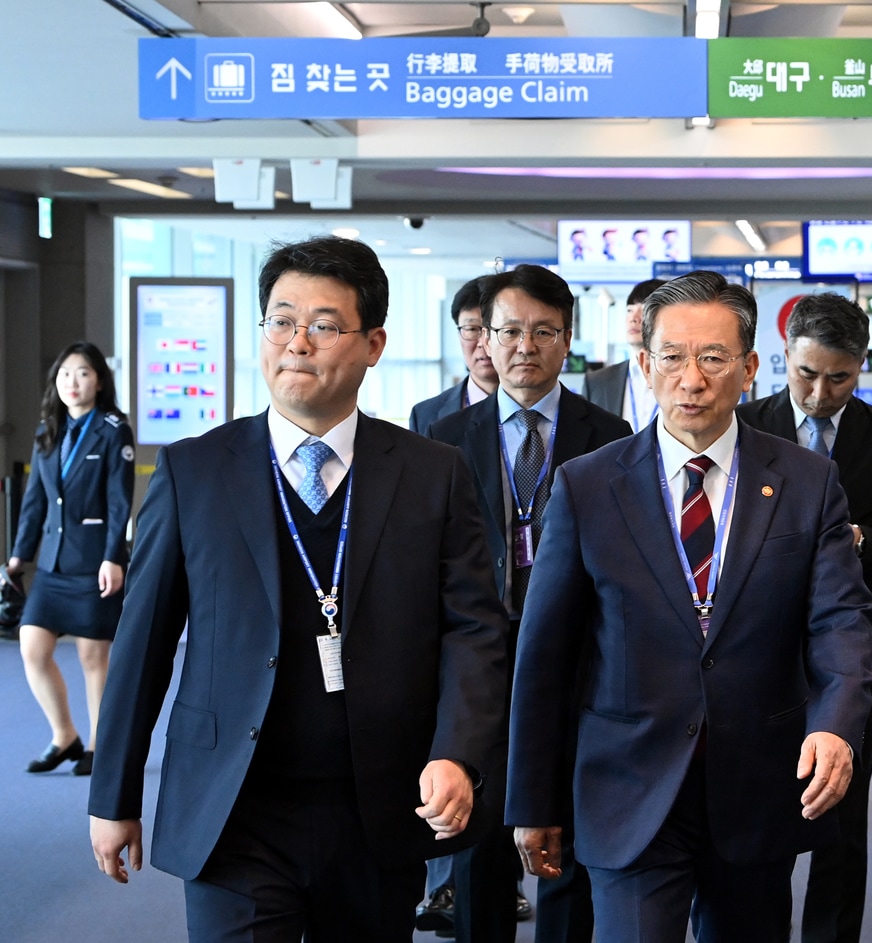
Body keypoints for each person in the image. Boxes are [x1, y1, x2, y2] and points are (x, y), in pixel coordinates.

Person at [87, 235, 511, 943]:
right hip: (234, 807)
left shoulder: (432, 473)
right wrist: (114, 792)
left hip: (378, 805)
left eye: (323, 325)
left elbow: (475, 630)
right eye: (281, 321)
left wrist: (457, 752)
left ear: (374, 344)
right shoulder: (196, 471)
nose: (297, 342)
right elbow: (144, 640)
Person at [506, 270, 872, 943]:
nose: (692, 379)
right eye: (673, 357)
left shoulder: (806, 481)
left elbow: (841, 622)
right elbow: (545, 656)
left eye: (713, 358)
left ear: (750, 368)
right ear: (645, 365)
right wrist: (532, 799)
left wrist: (835, 726)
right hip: (628, 782)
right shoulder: (588, 486)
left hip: (757, 781)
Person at [429, 264, 630, 943]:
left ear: (567, 340)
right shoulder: (444, 438)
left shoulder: (611, 434)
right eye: (510, 330)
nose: (525, 346)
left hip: (577, 659)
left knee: (570, 837)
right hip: (477, 659)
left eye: (544, 332)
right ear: (484, 337)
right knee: (479, 841)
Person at [737, 292, 872, 943]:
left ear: (861, 366)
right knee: (755, 805)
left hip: (849, 650)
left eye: (839, 378)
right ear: (784, 356)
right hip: (754, 648)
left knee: (841, 810)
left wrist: (860, 539)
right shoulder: (743, 424)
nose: (820, 393)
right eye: (807, 374)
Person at [7, 341, 134, 777]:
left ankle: (99, 743)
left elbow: (119, 502)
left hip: (95, 562)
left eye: (82, 373)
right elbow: (35, 501)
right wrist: (18, 556)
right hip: (53, 564)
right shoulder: (48, 430)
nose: (72, 382)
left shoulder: (113, 430)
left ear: (98, 381)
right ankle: (65, 736)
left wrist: (113, 557)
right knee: (32, 647)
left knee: (93, 657)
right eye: (64, 374)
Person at [409, 275, 499, 435]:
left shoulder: (535, 408)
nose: (483, 342)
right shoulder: (424, 415)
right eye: (472, 329)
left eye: (493, 330)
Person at [581, 277, 666, 431]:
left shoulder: (683, 377)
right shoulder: (597, 382)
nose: (634, 318)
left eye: (644, 310)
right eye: (629, 310)